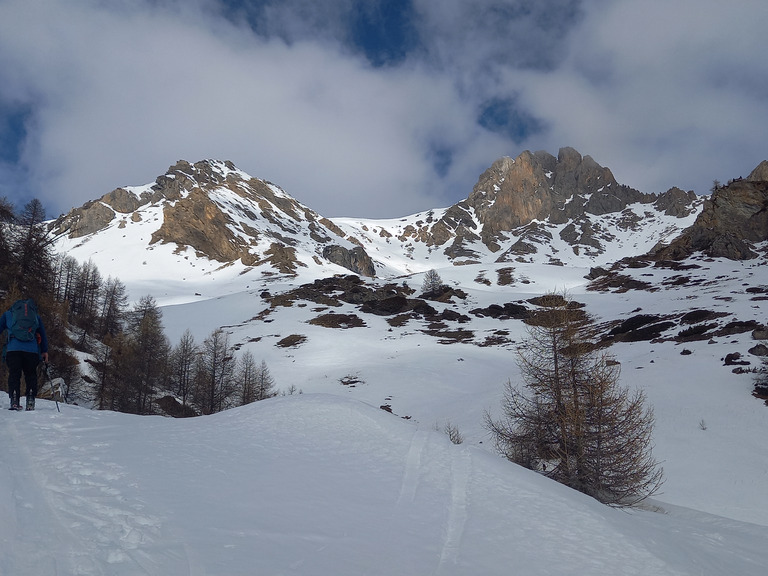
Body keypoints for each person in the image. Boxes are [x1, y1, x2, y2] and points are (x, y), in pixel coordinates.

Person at [0, 299, 49, 410]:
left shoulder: (8, 314)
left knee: (14, 374)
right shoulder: (36, 316)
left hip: (13, 349)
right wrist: (44, 351)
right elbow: (43, 335)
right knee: (31, 374)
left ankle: (14, 400)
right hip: (31, 351)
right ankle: (30, 399)